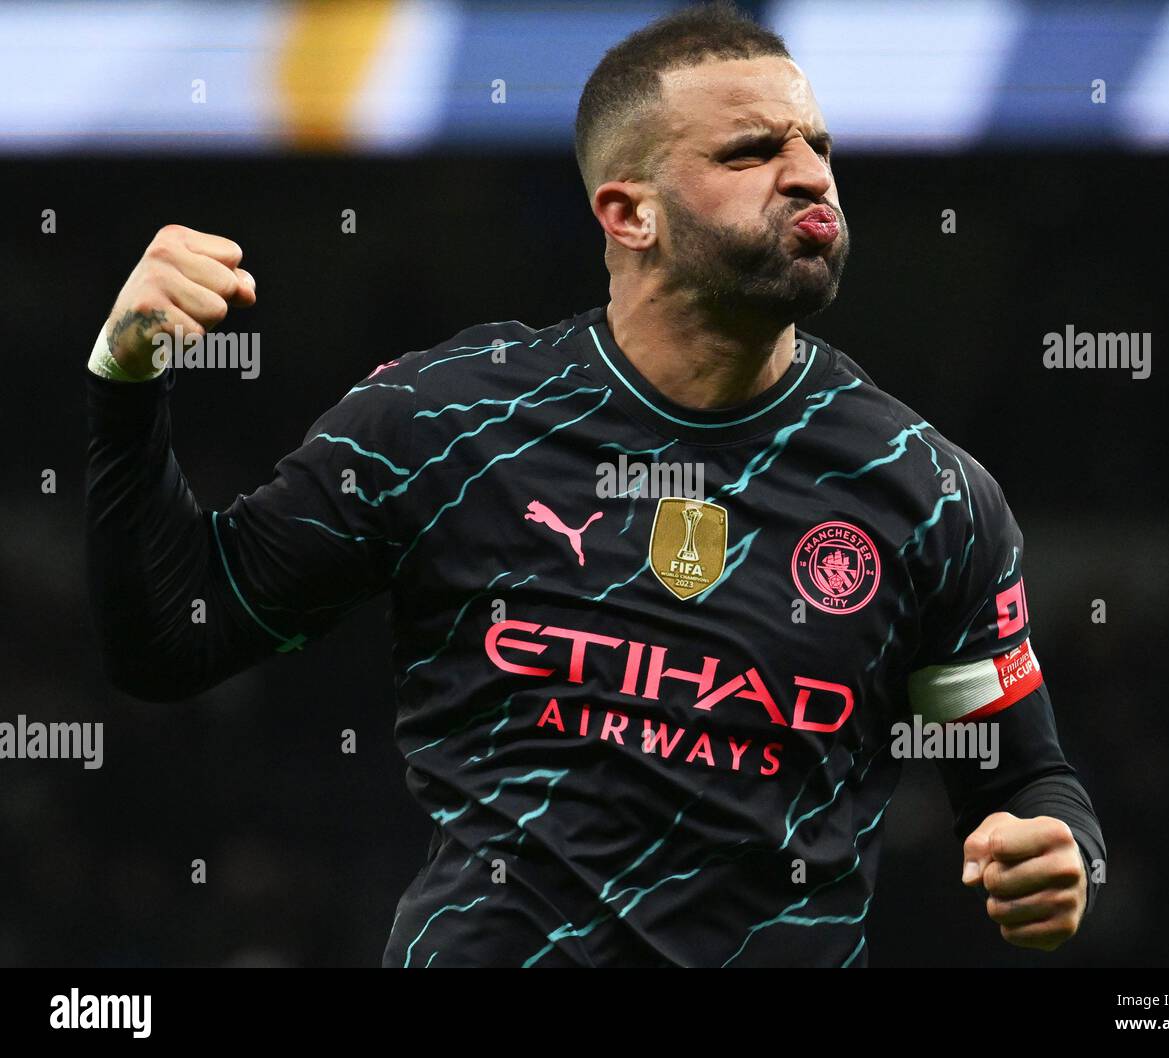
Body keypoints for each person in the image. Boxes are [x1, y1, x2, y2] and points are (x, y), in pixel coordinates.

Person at [85, 1, 1103, 967]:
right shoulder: (447, 423)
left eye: (817, 146)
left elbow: (1019, 779)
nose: (807, 176)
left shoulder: (922, 492)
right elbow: (174, 635)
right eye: (751, 152)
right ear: (629, 213)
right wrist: (126, 382)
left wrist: (1062, 855)